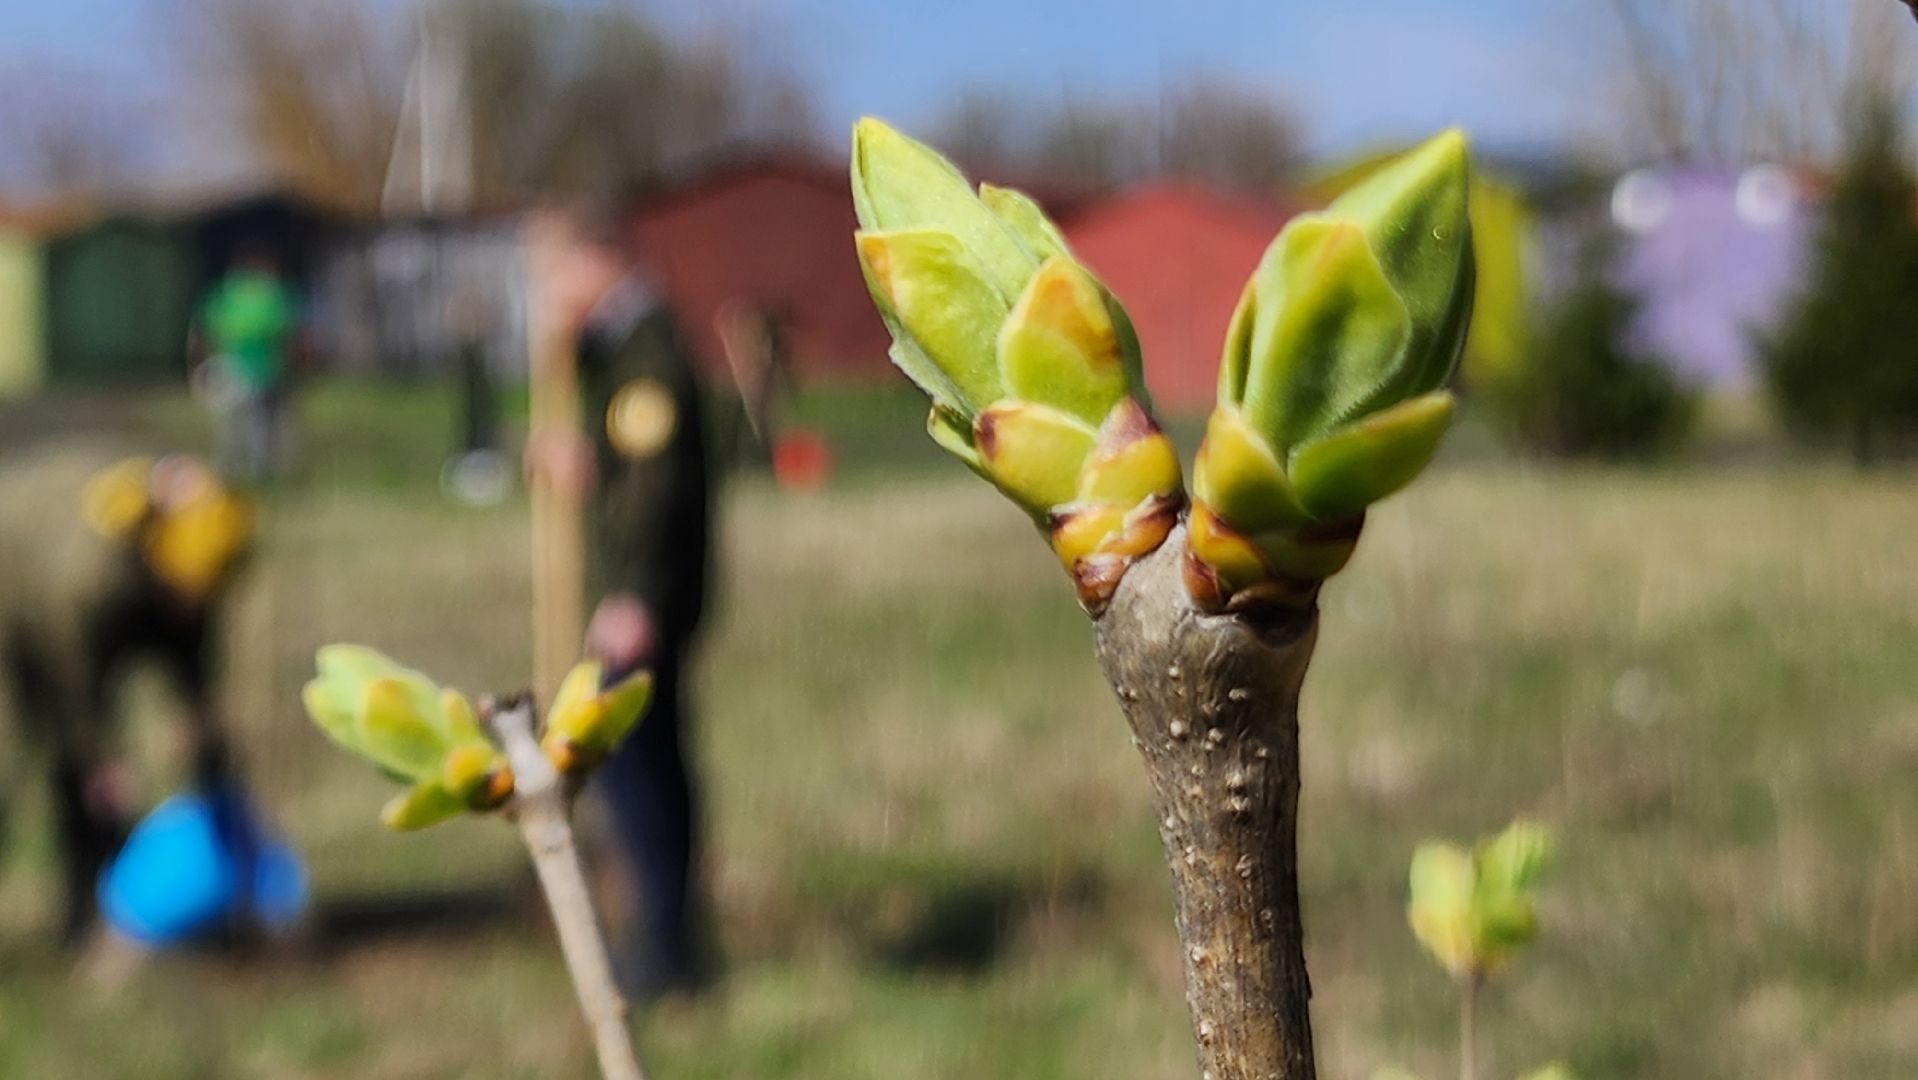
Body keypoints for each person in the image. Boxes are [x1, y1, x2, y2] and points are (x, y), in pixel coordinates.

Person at [526, 207, 714, 998]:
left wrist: (634, 595)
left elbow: (657, 488)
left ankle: (661, 949)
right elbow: (625, 463)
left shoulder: (645, 354)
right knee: (648, 764)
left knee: (637, 771)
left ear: (594, 261)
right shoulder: (613, 352)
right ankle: (668, 943)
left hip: (642, 603)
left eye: (549, 274)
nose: (543, 295)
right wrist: (585, 460)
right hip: (634, 596)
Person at [0, 451, 257, 944]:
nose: (193, 612)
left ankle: (91, 919)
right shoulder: (88, 581)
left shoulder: (193, 554)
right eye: (182, 597)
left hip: (71, 608)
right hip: (15, 597)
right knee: (49, 769)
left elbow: (195, 671)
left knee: (97, 791)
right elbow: (70, 684)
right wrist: (98, 757)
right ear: (154, 562)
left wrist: (204, 736)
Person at [192, 246, 301, 485]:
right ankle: (256, 473)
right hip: (263, 369)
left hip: (234, 369)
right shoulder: (272, 296)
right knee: (260, 425)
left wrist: (205, 362)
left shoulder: (226, 295)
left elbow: (208, 331)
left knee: (232, 424)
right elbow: (286, 333)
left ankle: (231, 471)